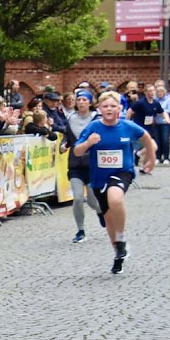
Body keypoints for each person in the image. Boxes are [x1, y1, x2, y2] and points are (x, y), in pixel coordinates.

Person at [73, 91, 157, 274]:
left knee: (115, 199)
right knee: (109, 219)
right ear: (99, 109)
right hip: (98, 178)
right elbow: (77, 152)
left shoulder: (128, 126)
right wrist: (88, 143)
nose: (109, 109)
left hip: (122, 172)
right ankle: (118, 252)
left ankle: (122, 236)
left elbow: (147, 140)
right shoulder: (94, 127)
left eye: (113, 106)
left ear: (120, 108)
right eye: (105, 106)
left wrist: (151, 159)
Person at [63, 90, 102, 244]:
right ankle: (80, 230)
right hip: (75, 164)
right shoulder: (70, 118)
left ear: (90, 103)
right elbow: (67, 136)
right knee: (78, 198)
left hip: (91, 165)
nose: (80, 102)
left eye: (84, 100)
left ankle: (100, 212)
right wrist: (64, 144)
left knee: (93, 202)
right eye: (78, 100)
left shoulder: (96, 120)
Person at [153, 85, 170, 164]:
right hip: (157, 122)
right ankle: (158, 157)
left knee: (165, 140)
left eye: (161, 92)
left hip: (165, 122)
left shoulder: (168, 99)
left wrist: (161, 111)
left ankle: (166, 157)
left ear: (164, 92)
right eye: (158, 92)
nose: (160, 93)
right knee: (157, 140)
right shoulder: (155, 100)